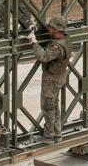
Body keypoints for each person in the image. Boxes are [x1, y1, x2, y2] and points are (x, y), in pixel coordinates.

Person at [30, 15, 70, 143]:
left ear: (57, 30)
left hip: (52, 79)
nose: (49, 29)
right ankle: (57, 134)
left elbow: (43, 56)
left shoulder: (57, 47)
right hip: (58, 76)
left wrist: (34, 42)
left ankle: (48, 136)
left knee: (48, 107)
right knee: (54, 105)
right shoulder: (65, 39)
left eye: (51, 27)